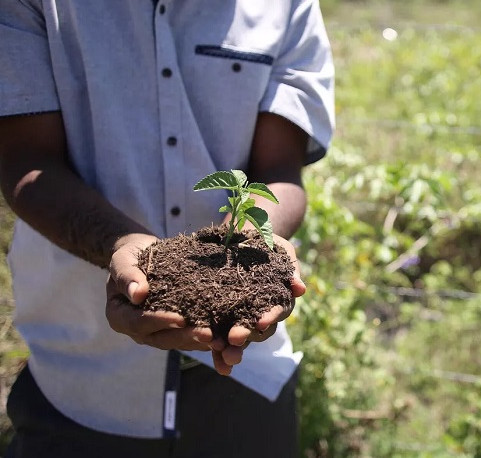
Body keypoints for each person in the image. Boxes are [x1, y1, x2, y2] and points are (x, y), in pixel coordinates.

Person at [0, 1, 334, 456]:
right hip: (82, 374)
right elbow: (25, 159)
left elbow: (279, 169)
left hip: (248, 381)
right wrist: (120, 243)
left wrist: (256, 240)